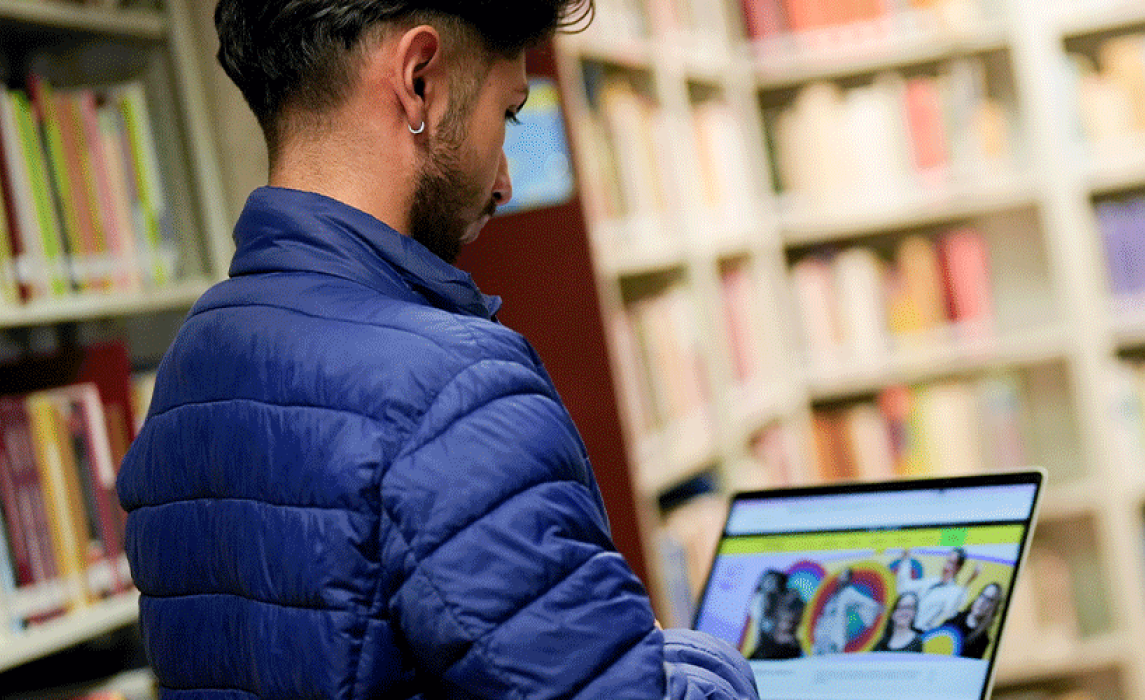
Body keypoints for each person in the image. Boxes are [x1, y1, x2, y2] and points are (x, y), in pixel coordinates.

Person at [114, 2, 758, 698]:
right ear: (419, 80)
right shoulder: (456, 388)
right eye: (508, 114)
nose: (506, 181)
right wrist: (706, 659)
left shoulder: (193, 361)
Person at [895, 547, 982, 631]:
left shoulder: (954, 592)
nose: (946, 566)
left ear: (958, 568)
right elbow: (904, 587)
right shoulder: (932, 581)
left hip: (921, 634)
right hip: (905, 629)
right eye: (947, 561)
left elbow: (952, 610)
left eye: (951, 563)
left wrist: (970, 580)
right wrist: (906, 560)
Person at [811, 568, 881, 655]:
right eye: (840, 575)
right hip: (821, 635)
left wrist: (878, 608)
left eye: (844, 575)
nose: (841, 577)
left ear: (848, 578)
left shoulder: (849, 592)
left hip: (834, 637)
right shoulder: (833, 595)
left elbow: (869, 603)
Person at [942, 582, 1004, 660]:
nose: (982, 602)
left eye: (989, 600)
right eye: (982, 596)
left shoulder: (983, 641)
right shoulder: (954, 617)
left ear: (994, 608)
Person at [749, 589, 805, 660]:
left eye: (796, 623)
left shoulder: (796, 642)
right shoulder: (765, 639)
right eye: (788, 621)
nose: (790, 627)